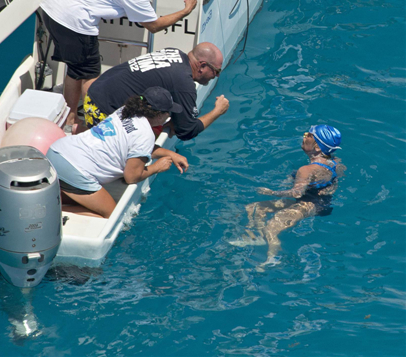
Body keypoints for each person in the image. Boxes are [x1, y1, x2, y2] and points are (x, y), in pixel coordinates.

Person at [39, 0, 198, 127]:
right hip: (74, 20)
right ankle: (97, 125)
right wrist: (185, 11)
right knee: (90, 77)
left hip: (53, 7)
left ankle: (71, 118)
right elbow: (154, 25)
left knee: (76, 69)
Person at [47, 87, 189, 219]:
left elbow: (135, 147)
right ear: (158, 115)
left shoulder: (126, 110)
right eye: (168, 113)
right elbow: (131, 177)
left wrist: (171, 154)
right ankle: (50, 214)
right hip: (75, 169)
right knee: (113, 217)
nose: (169, 117)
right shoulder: (145, 134)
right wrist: (157, 167)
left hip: (56, 152)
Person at [229, 125, 345, 269]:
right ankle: (257, 236)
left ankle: (273, 258)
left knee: (272, 228)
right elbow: (336, 177)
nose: (304, 136)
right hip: (320, 202)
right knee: (254, 207)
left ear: (317, 148)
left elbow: (296, 193)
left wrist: (271, 192)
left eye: (308, 136)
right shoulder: (335, 161)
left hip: (309, 204)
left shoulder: (305, 170)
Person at [85, 42, 229, 141]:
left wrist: (178, 118)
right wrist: (217, 111)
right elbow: (187, 131)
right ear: (202, 66)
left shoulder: (174, 52)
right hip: (101, 113)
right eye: (216, 71)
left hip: (92, 94)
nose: (216, 76)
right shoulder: (184, 82)